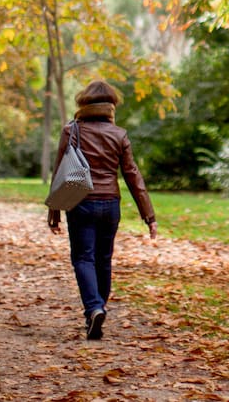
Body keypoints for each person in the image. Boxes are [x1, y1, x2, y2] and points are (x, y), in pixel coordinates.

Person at [48, 78, 158, 340]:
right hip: (110, 204)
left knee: (83, 258)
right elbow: (132, 175)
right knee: (103, 259)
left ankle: (94, 308)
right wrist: (149, 216)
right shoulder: (119, 134)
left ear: (84, 103)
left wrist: (54, 211)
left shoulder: (71, 130)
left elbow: (60, 171)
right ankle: (97, 311)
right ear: (111, 106)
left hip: (80, 202)